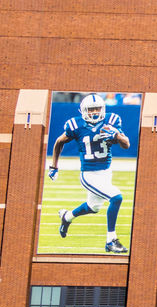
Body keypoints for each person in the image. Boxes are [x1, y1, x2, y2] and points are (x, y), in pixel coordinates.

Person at [49, 94, 130, 254]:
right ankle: (111, 240)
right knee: (116, 197)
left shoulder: (111, 121)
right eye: (91, 109)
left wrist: (116, 136)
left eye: (97, 108)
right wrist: (54, 166)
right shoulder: (75, 125)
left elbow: (126, 144)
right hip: (89, 174)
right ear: (84, 111)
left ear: (103, 109)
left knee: (93, 207)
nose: (94, 112)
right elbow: (59, 142)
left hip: (106, 171)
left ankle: (67, 217)